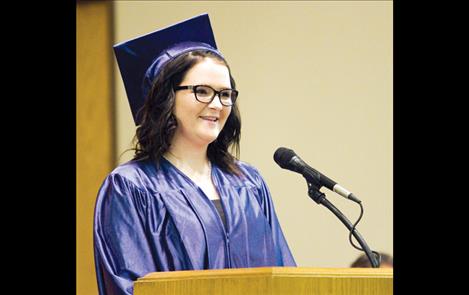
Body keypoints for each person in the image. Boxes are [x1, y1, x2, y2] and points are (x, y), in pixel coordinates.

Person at [93, 14, 296, 295]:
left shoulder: (249, 183)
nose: (217, 104)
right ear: (166, 97)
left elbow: (285, 276)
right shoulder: (131, 187)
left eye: (225, 94)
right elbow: (130, 288)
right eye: (202, 91)